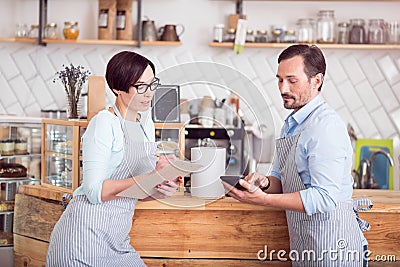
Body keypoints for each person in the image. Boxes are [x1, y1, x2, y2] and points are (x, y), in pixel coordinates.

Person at [223, 44, 371, 266]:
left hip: (334, 249)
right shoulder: (292, 123)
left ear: (317, 80)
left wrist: (264, 200)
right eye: (280, 80)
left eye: (292, 81)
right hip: (306, 245)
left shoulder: (325, 127)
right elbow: (282, 181)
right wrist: (263, 183)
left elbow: (325, 197)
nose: (283, 88)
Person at [46, 51, 181, 266]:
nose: (149, 93)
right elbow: (94, 191)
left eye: (152, 84)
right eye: (140, 87)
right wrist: (151, 176)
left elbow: (133, 193)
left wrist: (161, 188)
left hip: (116, 240)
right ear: (118, 88)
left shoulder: (145, 123)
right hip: (83, 237)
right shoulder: (103, 123)